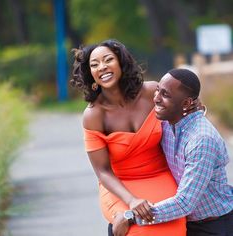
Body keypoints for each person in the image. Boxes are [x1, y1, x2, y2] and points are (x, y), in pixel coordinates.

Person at [71, 39, 187, 235]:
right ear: (90, 74)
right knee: (133, 229)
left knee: (172, 225)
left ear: (121, 63)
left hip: (161, 175)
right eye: (94, 64)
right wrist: (132, 200)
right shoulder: (94, 115)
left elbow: (183, 113)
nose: (102, 67)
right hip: (119, 185)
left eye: (108, 60)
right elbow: (103, 171)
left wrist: (192, 106)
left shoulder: (152, 92)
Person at [116, 68, 233, 236]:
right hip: (182, 222)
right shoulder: (166, 124)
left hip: (213, 225)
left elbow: (185, 203)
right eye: (157, 91)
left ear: (186, 103)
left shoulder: (202, 140)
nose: (156, 98)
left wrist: (131, 217)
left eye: (165, 95)